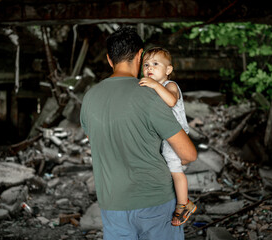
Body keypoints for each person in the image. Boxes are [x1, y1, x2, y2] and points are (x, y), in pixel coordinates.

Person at [80, 26, 197, 240]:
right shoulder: (149, 95)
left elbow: (96, 139)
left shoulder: (89, 98)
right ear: (140, 55)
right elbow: (189, 154)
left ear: (109, 59)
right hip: (154, 201)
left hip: (112, 204)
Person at [139, 47, 197, 226]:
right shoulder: (154, 88)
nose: (150, 68)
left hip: (176, 135)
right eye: (146, 64)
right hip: (165, 136)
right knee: (168, 170)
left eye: (156, 64)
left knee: (175, 171)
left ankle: (184, 204)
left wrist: (155, 85)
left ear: (168, 70)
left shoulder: (169, 85)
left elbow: (171, 101)